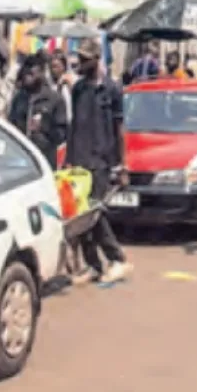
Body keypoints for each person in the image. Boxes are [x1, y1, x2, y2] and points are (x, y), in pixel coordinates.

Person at [65, 39, 133, 284]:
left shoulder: (112, 90)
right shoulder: (78, 90)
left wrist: (122, 164)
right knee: (80, 215)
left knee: (95, 212)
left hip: (102, 161)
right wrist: (69, 159)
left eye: (84, 60)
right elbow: (74, 126)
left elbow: (119, 128)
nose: (79, 64)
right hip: (79, 160)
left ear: (96, 60)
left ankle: (118, 259)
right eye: (79, 59)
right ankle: (93, 264)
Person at [9, 55, 68, 170]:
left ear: (41, 73)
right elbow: (11, 124)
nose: (27, 78)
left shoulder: (54, 99)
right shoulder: (19, 98)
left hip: (44, 163)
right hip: (20, 163)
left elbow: (61, 135)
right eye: (25, 74)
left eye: (31, 74)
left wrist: (43, 125)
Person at [49, 49, 74, 122]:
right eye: (51, 67)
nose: (53, 70)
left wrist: (69, 84)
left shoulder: (71, 81)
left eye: (56, 67)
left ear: (63, 67)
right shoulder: (49, 84)